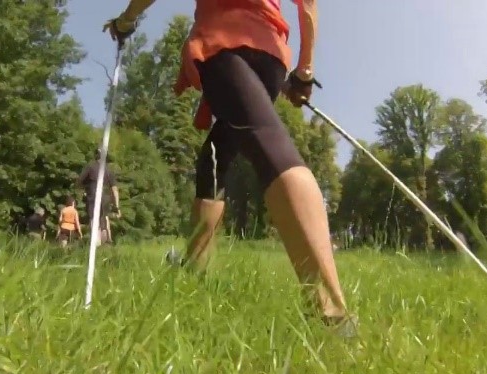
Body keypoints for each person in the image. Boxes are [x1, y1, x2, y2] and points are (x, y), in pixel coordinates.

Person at [103, 0, 356, 334]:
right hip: (270, 55)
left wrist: (126, 20)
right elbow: (307, 4)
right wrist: (304, 73)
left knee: (267, 141)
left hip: (224, 43)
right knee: (214, 157)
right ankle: (195, 268)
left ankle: (331, 315)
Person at [77, 149, 121, 245]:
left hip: (93, 196)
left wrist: (84, 189)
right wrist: (116, 206)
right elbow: (115, 190)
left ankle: (96, 244)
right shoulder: (109, 170)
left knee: (93, 219)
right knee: (104, 217)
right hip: (105, 198)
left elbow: (79, 182)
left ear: (96, 155)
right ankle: (106, 242)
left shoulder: (90, 167)